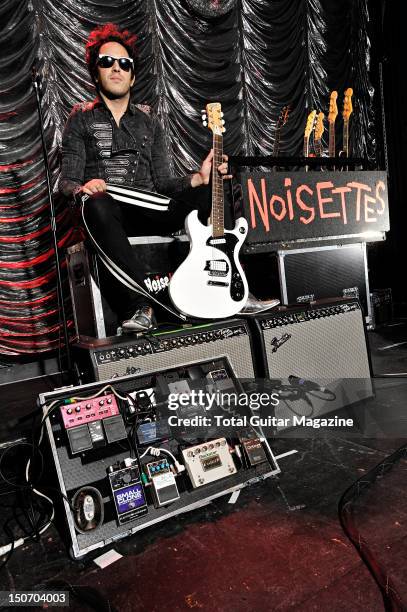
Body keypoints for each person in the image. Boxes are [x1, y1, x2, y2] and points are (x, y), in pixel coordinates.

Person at [60, 23, 278, 333]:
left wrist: (199, 179)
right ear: (96, 72)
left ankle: (235, 291)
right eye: (107, 62)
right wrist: (83, 187)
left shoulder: (149, 121)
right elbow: (65, 181)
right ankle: (141, 307)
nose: (116, 69)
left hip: (149, 208)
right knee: (96, 205)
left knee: (212, 193)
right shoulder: (81, 117)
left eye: (125, 64)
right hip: (109, 212)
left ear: (133, 75)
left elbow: (163, 183)